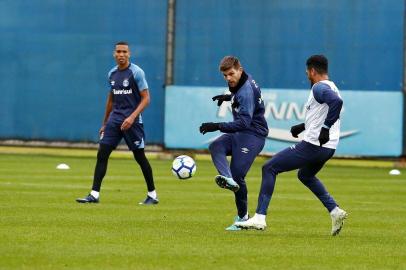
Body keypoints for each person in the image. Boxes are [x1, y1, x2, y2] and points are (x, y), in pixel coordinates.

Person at [235, 55, 347, 236]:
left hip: (313, 146)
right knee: (306, 175)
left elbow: (336, 103)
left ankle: (259, 217)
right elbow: (325, 110)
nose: (307, 75)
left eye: (307, 72)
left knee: (269, 167)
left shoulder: (319, 87)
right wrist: (303, 126)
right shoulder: (333, 86)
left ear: (312, 71)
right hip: (329, 147)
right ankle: (334, 210)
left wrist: (325, 128)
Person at [76, 41, 158, 205]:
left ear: (129, 54)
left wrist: (132, 117)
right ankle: (94, 194)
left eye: (124, 52)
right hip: (114, 120)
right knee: (102, 153)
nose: (121, 54)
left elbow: (146, 98)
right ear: (114, 54)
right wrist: (105, 123)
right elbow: (111, 99)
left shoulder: (136, 73)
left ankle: (153, 195)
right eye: (118, 52)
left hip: (132, 121)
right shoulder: (112, 74)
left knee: (140, 157)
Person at [199, 56, 269, 231]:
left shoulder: (246, 92)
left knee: (239, 175)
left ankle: (242, 217)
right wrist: (227, 96)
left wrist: (216, 126)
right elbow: (237, 94)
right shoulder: (241, 82)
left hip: (253, 135)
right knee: (216, 146)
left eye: (231, 74)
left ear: (240, 69)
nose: (228, 78)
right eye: (225, 75)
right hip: (241, 132)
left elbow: (244, 123)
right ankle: (227, 178)